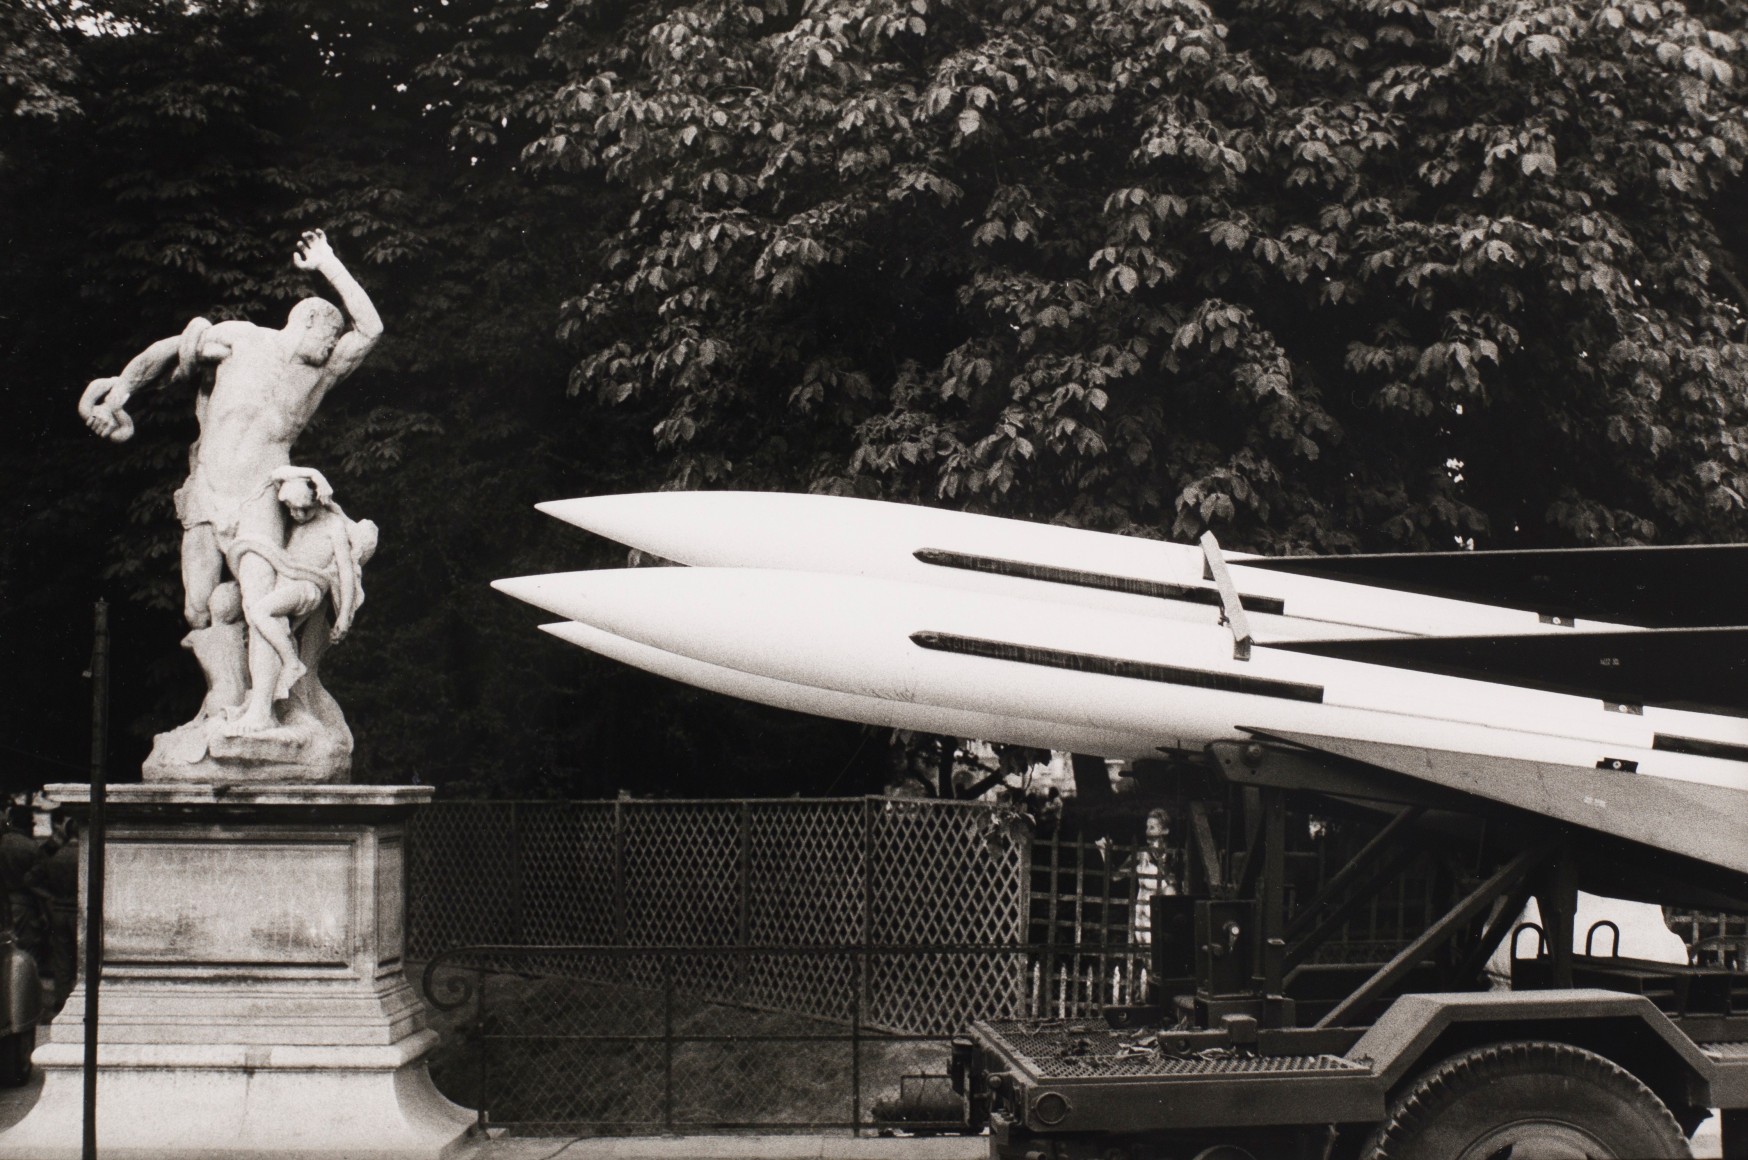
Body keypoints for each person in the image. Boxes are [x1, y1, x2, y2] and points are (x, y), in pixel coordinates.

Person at [77, 229, 382, 731]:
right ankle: (226, 697)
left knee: (257, 599)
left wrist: (327, 262)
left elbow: (369, 329)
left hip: (260, 493)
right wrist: (119, 396)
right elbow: (170, 351)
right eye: (327, 336)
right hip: (207, 490)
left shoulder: (319, 374)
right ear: (303, 321)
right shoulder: (240, 339)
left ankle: (263, 708)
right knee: (200, 608)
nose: (332, 346)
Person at [224, 467, 378, 734]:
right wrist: (316, 474)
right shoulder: (295, 522)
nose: (296, 515)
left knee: (260, 612)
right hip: (290, 582)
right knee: (260, 619)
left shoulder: (333, 525)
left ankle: (291, 662)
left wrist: (344, 617)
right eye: (291, 509)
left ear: (318, 501)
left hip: (308, 587)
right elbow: (275, 473)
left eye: (303, 509)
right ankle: (284, 667)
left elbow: (345, 570)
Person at [26, 817, 78, 1013]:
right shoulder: (87, 855)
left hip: (58, 909)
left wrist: (49, 897)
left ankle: (62, 1000)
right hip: (80, 912)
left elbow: (31, 880)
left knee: (61, 959)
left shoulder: (55, 856)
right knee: (84, 957)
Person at [1116, 808, 1181, 946]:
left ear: (1165, 831)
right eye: (1147, 827)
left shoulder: (1173, 856)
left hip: (1159, 921)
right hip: (1140, 919)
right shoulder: (1140, 855)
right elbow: (1116, 876)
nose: (1148, 831)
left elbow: (1174, 888)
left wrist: (1159, 860)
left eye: (1152, 827)